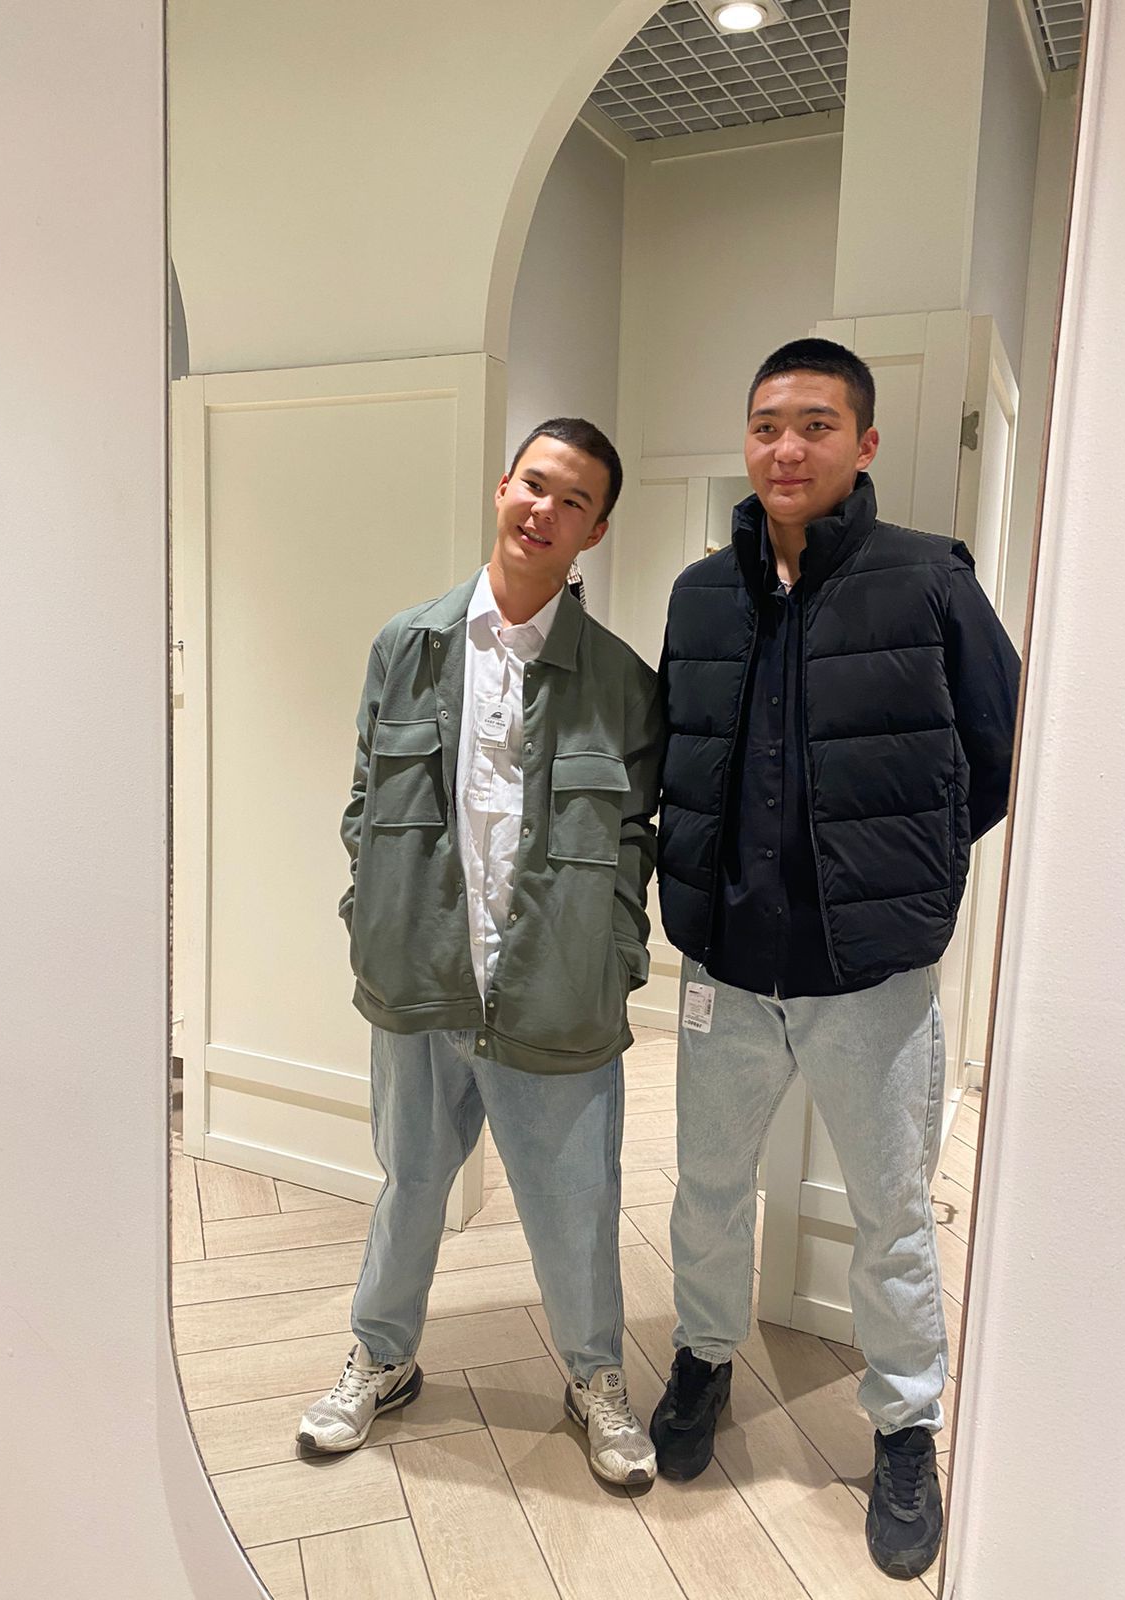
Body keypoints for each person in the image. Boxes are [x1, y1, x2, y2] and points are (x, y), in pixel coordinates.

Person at [650, 339, 1020, 1578]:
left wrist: (908, 867)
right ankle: (704, 1357)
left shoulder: (929, 579)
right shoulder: (701, 592)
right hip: (724, 967)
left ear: (863, 443)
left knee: (893, 1213)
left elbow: (998, 751)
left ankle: (906, 1425)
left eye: (815, 424)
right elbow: (680, 747)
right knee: (708, 1189)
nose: (786, 447)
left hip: (871, 977)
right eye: (767, 424)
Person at [298, 417, 665, 1486]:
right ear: (504, 487)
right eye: (533, 485)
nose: (544, 511)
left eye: (573, 500)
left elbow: (635, 839)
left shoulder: (622, 680)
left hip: (557, 989)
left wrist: (616, 959)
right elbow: (365, 799)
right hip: (420, 976)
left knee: (576, 1201)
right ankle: (380, 1356)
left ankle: (595, 1377)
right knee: (411, 1181)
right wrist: (369, 913)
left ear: (595, 530)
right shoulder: (406, 647)